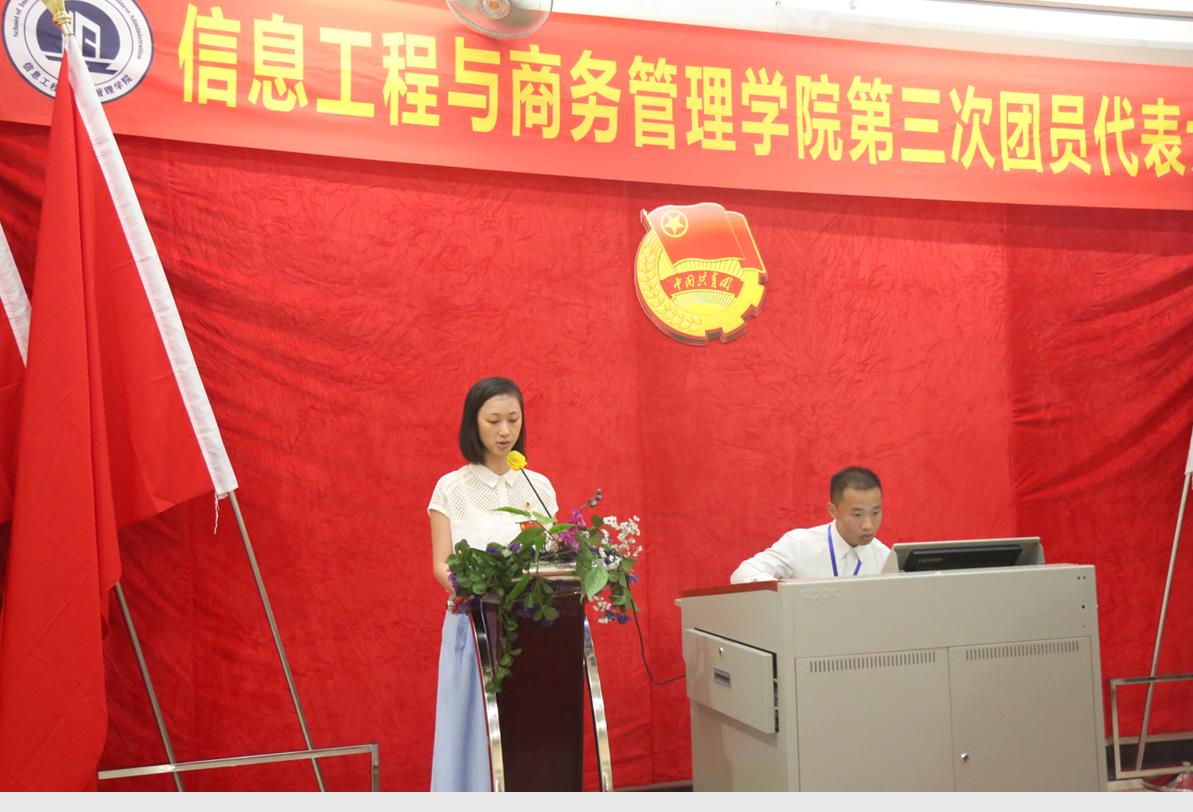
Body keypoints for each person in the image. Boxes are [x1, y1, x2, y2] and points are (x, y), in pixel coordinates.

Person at [426, 376, 558, 792]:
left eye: (513, 420)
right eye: (494, 420)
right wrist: (469, 587)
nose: (505, 431)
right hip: (475, 627)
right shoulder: (452, 488)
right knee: (472, 730)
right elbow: (441, 563)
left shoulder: (539, 486)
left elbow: (555, 557)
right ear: (473, 423)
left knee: (532, 732)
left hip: (534, 628)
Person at [730, 466, 890, 582]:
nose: (868, 525)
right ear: (833, 511)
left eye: (875, 513)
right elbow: (742, 574)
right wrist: (785, 590)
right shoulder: (798, 545)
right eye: (857, 515)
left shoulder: (884, 557)